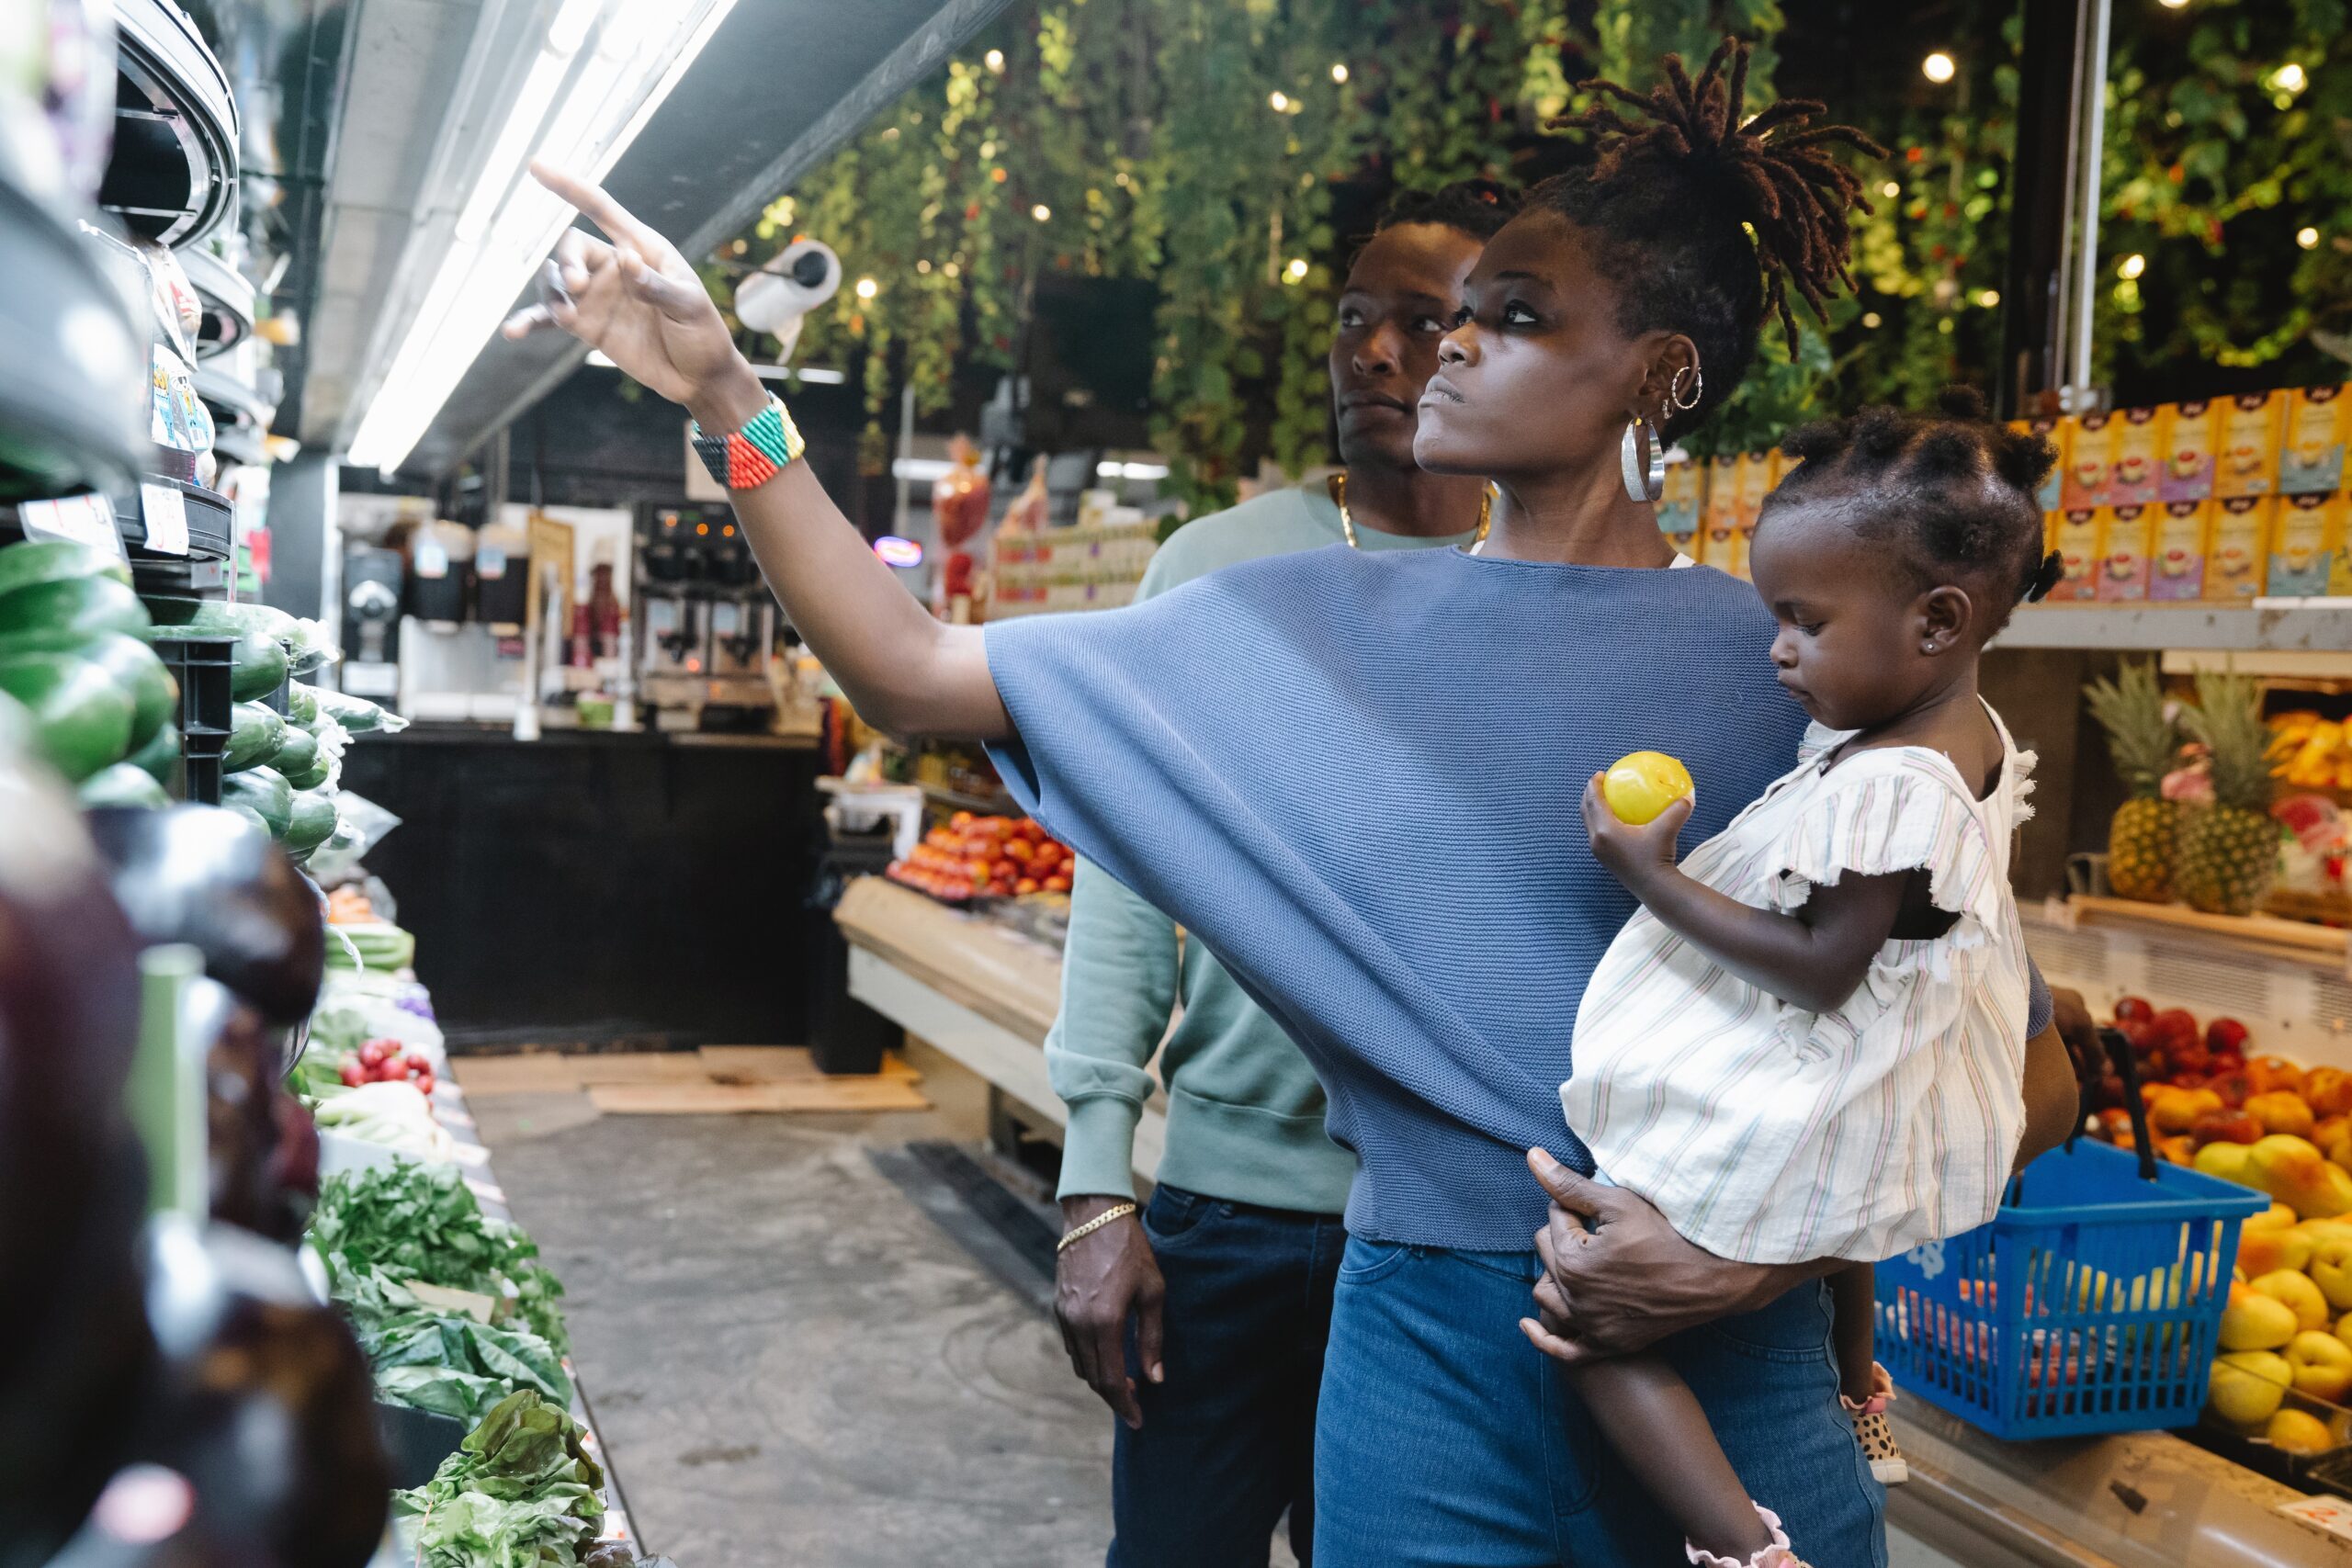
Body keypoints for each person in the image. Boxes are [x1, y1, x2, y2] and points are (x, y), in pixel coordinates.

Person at [502, 37, 2086, 1563]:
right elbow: (911, 667)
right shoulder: (1289, 630)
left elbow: (2022, 1083)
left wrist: (1759, 1258)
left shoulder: (1799, 676)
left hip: (1738, 1380)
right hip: (1425, 1371)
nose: (1450, 344)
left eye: (1515, 316)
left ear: (1657, 377)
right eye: (1459, 311)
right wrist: (723, 392)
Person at [1047, 180, 1520, 1568]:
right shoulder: (1218, 569)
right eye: (1354, 319)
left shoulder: (1555, 584)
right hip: (1227, 1217)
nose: (1372, 351)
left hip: (1458, 1233)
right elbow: (1126, 879)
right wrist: (1094, 1184)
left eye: (1420, 322)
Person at [1529, 389, 2062, 1568]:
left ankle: (1743, 1544)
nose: (1775, 648)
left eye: (1803, 621)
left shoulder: (1893, 784)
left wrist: (1646, 872)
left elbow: (1822, 969)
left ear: (1935, 620)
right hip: (1870, 1093)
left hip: (1802, 1089)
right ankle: (1859, 1399)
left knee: (1586, 1311)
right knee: (1842, 1255)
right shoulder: (1958, 741)